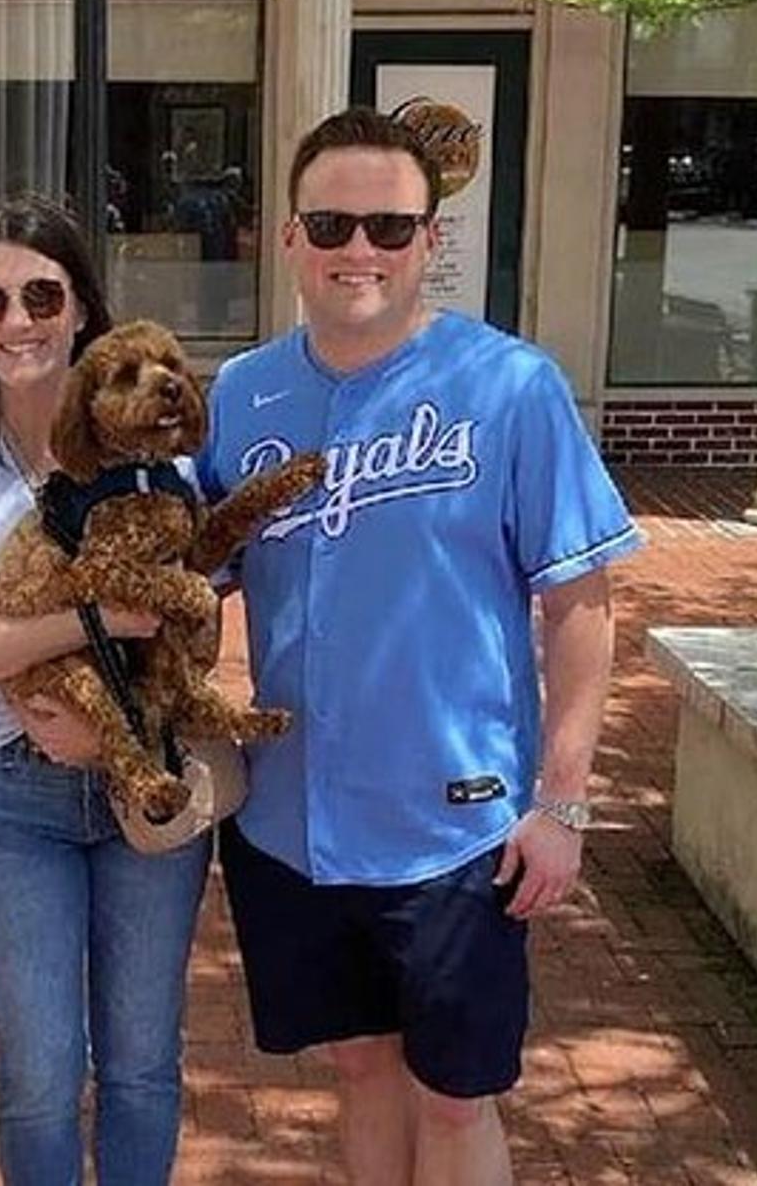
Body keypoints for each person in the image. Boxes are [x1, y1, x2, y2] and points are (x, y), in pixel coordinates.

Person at [195, 108, 643, 1186]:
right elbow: (190, 588)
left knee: (453, 1098)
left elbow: (580, 603)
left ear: (429, 242)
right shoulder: (240, 393)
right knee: (357, 1064)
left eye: (390, 229)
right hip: (290, 819)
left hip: (457, 825)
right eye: (333, 223)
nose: (361, 249)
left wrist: (564, 803)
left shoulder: (510, 386)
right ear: (290, 237)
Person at [0, 193, 208, 1186]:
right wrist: (90, 628)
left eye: (39, 294)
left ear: (80, 308)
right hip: (7, 799)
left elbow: (192, 619)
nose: (15, 321)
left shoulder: (157, 449)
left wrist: (119, 714)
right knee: (36, 1074)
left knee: (140, 1067)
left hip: (143, 791)